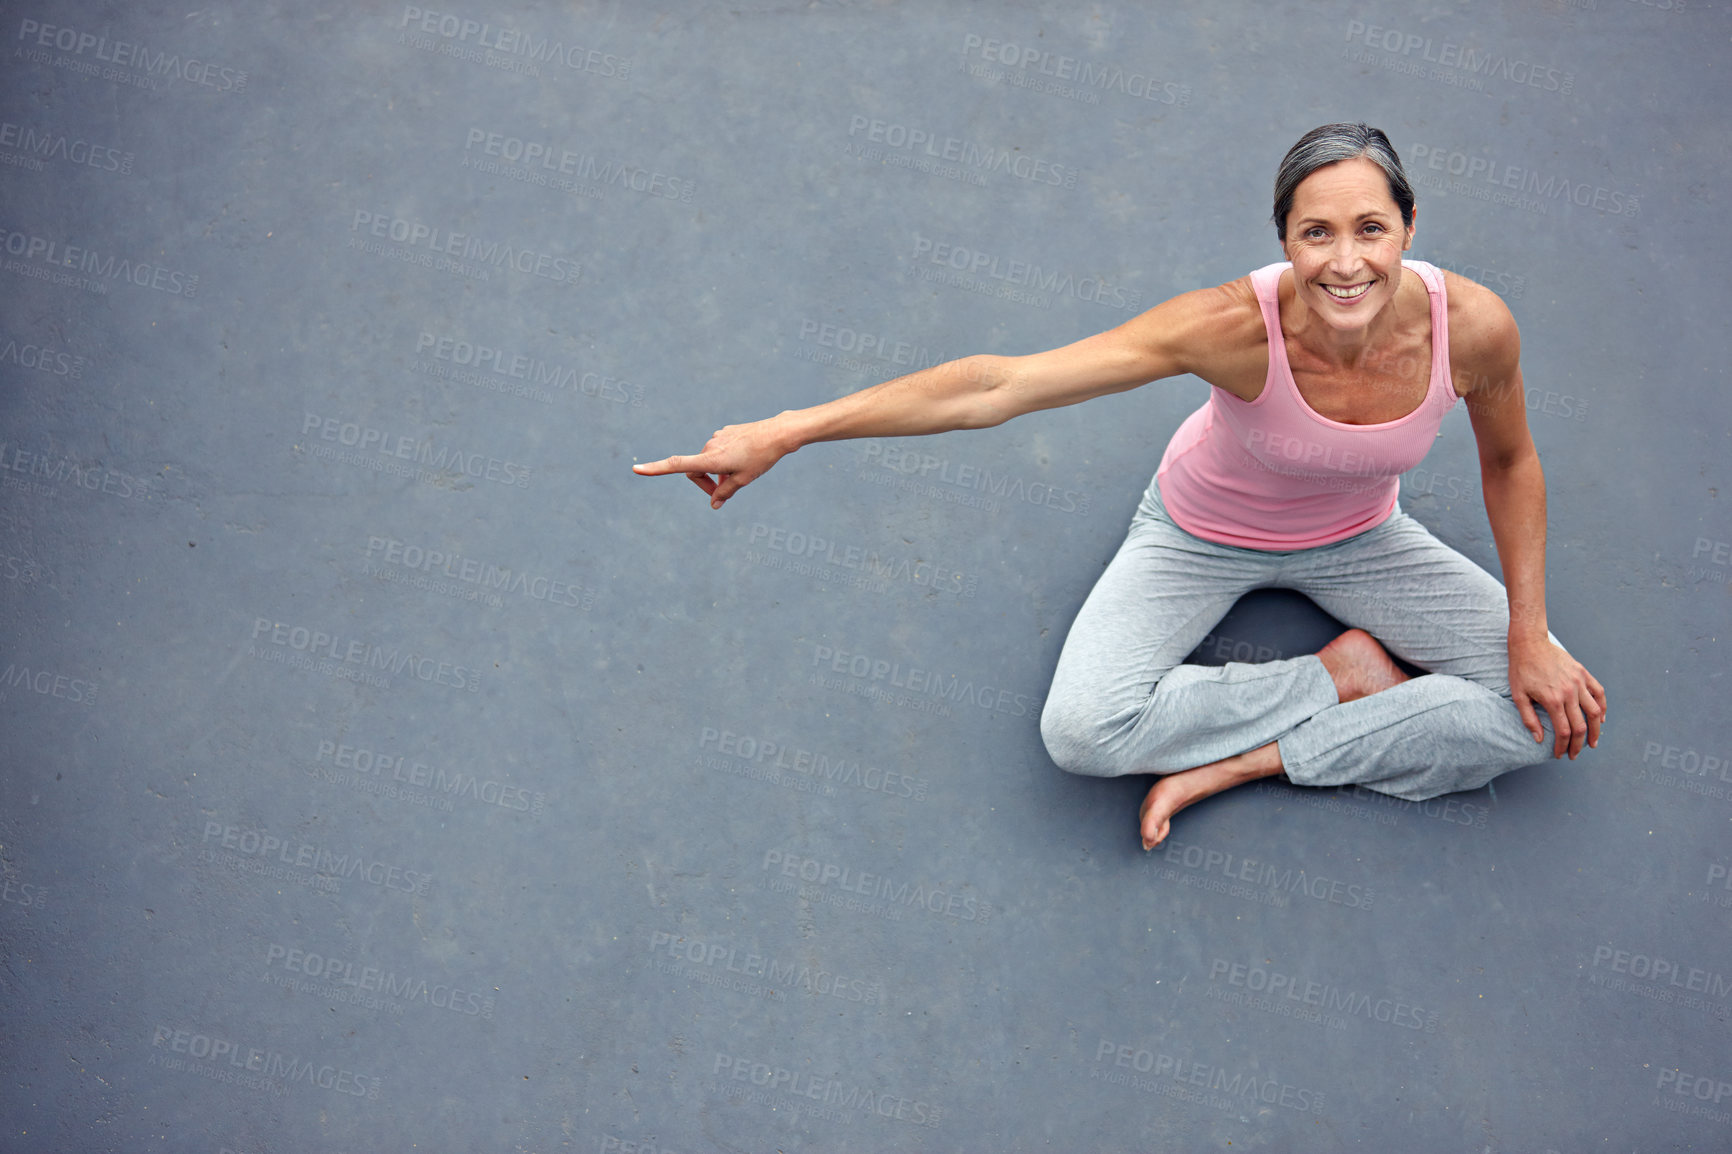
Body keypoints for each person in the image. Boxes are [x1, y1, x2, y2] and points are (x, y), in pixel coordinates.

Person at [634, 122, 1607, 850]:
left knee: (1538, 718)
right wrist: (788, 430)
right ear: (1283, 241)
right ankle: (1330, 678)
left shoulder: (1473, 328)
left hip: (1360, 537)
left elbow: (1510, 462)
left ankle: (1260, 755)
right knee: (1082, 732)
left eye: (1369, 228)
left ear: (1405, 230)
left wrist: (1528, 632)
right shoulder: (1228, 326)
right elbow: (997, 383)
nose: (1344, 261)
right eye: (1315, 234)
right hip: (1201, 530)